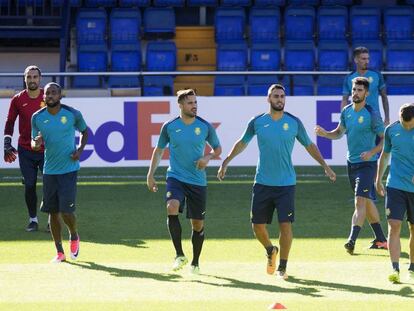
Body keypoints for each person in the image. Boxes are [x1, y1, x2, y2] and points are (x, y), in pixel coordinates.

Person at [217, 84, 336, 280]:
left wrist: (325, 165)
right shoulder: (257, 122)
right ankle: (271, 249)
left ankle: (282, 267)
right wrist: (227, 161)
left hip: (286, 184)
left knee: (285, 225)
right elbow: (242, 143)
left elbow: (309, 145)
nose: (279, 99)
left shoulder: (294, 122)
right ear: (268, 99)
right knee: (257, 226)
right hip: (262, 182)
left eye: (282, 96)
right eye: (275, 96)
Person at [147, 89, 221, 274]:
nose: (194, 106)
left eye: (196, 102)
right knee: (171, 207)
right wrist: (150, 174)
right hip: (176, 177)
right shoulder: (169, 126)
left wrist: (208, 157)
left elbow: (218, 149)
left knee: (197, 224)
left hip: (197, 181)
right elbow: (158, 151)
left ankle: (195, 263)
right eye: (190, 103)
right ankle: (179, 255)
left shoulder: (204, 126)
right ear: (180, 105)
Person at [316, 77, 388, 255]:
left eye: (359, 90)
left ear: (367, 93)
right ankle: (381, 240)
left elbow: (385, 139)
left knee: (359, 201)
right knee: (368, 201)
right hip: (352, 163)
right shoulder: (346, 111)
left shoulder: (371, 114)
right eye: (354, 90)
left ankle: (351, 240)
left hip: (367, 165)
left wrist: (372, 152)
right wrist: (325, 134)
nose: (355, 93)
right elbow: (339, 133)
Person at [31, 82, 88, 263]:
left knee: (66, 211)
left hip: (69, 169)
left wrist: (79, 150)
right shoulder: (37, 117)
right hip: (49, 171)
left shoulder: (72, 114)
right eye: (47, 93)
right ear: (44, 96)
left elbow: (85, 132)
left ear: (60, 96)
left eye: (54, 93)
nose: (50, 96)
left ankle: (74, 235)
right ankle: (59, 252)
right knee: (52, 212)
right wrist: (36, 143)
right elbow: (33, 142)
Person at [3, 65, 45, 232]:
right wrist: (7, 142)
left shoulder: (48, 96)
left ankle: (51, 220)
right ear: (24, 78)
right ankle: (33, 219)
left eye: (35, 77)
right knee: (29, 185)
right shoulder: (17, 99)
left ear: (39, 79)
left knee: (51, 185)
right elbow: (10, 122)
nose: (32, 80)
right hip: (26, 150)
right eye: (29, 77)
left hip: (47, 150)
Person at [375, 103, 414, 284]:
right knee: (394, 226)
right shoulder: (391, 130)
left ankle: (412, 266)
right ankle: (395, 268)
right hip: (395, 186)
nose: (406, 127)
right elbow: (384, 155)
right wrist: (378, 179)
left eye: (410, 125)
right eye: (403, 123)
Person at [342, 46, 390, 126]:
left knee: (379, 138)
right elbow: (344, 100)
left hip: (375, 119)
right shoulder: (349, 78)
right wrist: (343, 119)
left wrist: (387, 118)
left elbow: (384, 97)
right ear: (356, 60)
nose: (367, 61)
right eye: (363, 59)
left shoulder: (377, 75)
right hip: (356, 119)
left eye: (368, 59)